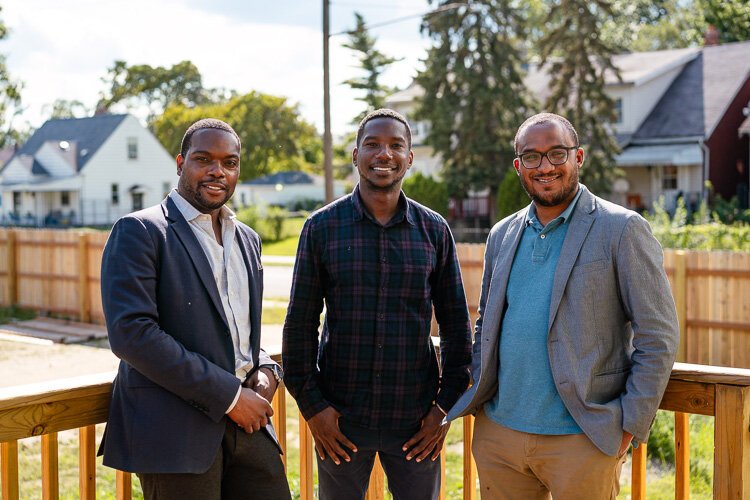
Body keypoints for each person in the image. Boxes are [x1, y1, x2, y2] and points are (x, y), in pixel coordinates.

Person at [447, 113, 679, 499]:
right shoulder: (502, 233)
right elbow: (486, 321)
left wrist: (627, 427)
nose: (546, 166)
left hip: (582, 438)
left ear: (579, 157)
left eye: (557, 153)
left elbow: (659, 336)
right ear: (519, 165)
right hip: (499, 436)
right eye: (532, 157)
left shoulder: (622, 228)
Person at [282, 108, 472, 500]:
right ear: (355, 155)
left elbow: (456, 326)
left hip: (417, 421)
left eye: (395, 145)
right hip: (340, 420)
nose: (383, 154)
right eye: (372, 144)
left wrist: (443, 409)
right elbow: (300, 325)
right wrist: (314, 408)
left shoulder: (434, 230)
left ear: (409, 158)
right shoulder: (321, 228)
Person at [100, 118, 290, 500]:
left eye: (230, 162)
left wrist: (267, 368)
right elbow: (133, 335)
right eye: (204, 159)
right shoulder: (140, 231)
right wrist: (232, 398)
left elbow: (237, 332)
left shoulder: (248, 240)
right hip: (175, 435)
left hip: (248, 431)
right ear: (180, 162)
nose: (218, 170)